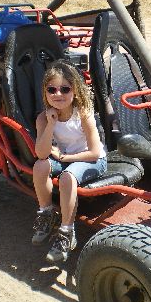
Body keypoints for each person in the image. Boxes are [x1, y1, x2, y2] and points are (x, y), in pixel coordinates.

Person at [32, 59, 107, 263]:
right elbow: (41, 153)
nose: (58, 94)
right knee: (40, 166)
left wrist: (66, 158)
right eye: (52, 89)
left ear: (74, 91)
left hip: (92, 160)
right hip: (65, 159)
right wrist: (50, 124)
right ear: (45, 92)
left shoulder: (83, 115)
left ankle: (67, 231)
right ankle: (46, 213)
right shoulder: (42, 119)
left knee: (67, 177)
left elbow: (94, 152)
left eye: (65, 89)